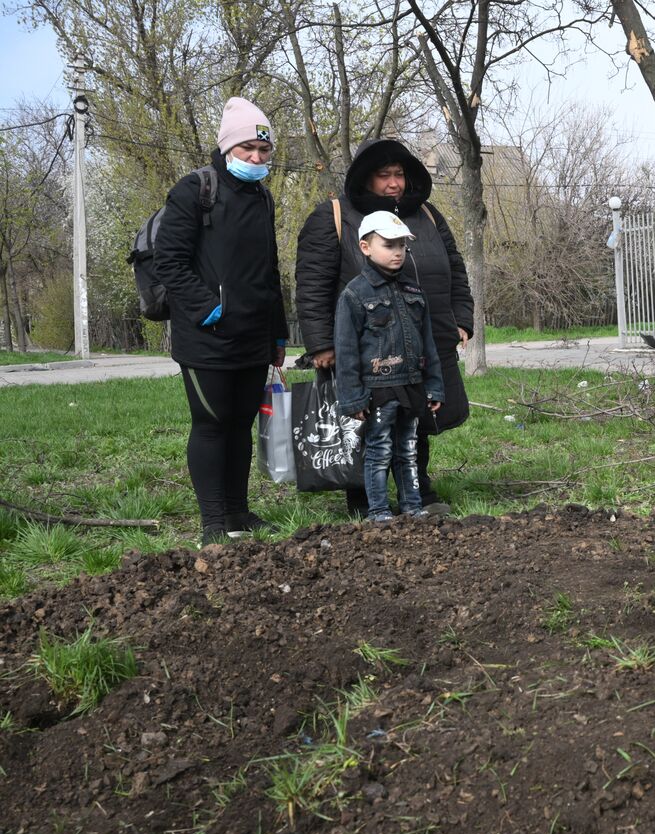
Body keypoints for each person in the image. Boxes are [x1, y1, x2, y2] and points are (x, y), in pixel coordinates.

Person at [296, 139, 473, 516]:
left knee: (418, 414)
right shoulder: (333, 216)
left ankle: (418, 493)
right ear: (366, 178)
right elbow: (312, 284)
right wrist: (321, 343)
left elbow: (454, 268)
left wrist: (460, 318)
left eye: (400, 175)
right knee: (365, 423)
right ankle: (363, 501)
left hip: (419, 342)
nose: (394, 184)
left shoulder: (427, 215)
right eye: (384, 175)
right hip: (365, 348)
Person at [153, 96, 288, 547]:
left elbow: (270, 271)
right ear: (228, 146)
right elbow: (167, 262)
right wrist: (208, 308)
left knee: (240, 423)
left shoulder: (263, 197)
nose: (255, 157)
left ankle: (238, 512)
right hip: (206, 337)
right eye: (247, 147)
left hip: (254, 336)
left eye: (263, 150)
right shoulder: (195, 190)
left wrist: (278, 332)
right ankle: (213, 523)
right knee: (211, 424)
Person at [334, 211, 445, 521]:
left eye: (401, 245)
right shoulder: (355, 294)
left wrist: (434, 385)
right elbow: (345, 350)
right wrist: (353, 397)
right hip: (378, 389)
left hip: (411, 385)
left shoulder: (413, 291)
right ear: (366, 247)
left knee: (408, 449)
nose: (397, 252)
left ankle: (412, 506)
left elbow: (428, 344)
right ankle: (379, 510)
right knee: (379, 449)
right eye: (388, 244)